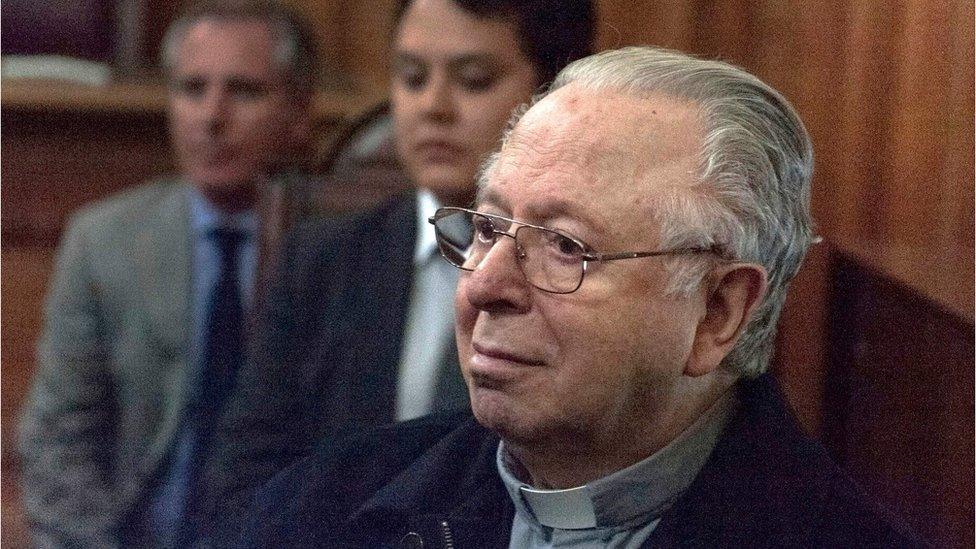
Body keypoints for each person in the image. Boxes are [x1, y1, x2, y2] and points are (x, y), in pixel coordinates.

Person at [238, 46, 926, 548]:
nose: (483, 285)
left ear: (718, 313)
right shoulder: (321, 508)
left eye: (567, 246)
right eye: (486, 227)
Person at [199, 0, 596, 541]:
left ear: (554, 94)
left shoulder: (583, 273)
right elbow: (244, 486)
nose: (433, 106)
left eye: (474, 80)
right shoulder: (321, 261)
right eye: (411, 77)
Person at [16, 1, 318, 547]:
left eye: (244, 91)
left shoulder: (335, 250)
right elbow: (58, 439)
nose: (212, 117)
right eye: (191, 89)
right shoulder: (104, 241)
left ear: (299, 114)